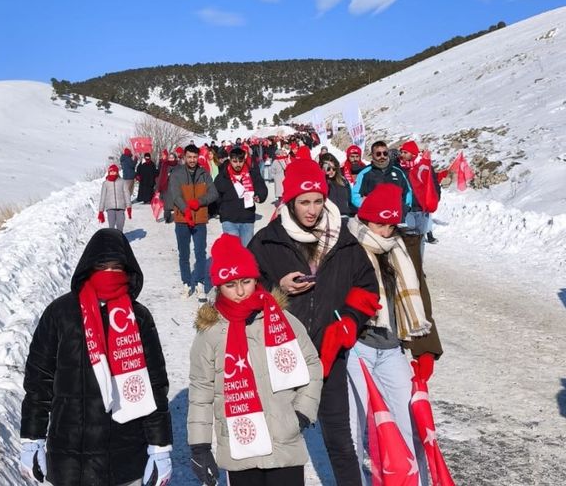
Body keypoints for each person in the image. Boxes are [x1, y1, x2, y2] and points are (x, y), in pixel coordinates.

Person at [248, 149, 379, 486]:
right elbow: (242, 291)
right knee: (283, 438)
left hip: (330, 353)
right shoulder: (267, 240)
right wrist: (278, 289)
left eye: (317, 201)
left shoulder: (343, 239)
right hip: (283, 355)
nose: (312, 210)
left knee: (339, 439)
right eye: (304, 202)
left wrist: (348, 321)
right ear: (291, 201)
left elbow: (366, 286)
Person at [19, 228, 173, 486]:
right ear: (89, 267)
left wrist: (160, 446)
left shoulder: (139, 317)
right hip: (69, 459)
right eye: (103, 266)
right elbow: (39, 382)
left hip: (124, 459)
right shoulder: (60, 314)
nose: (110, 274)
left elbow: (155, 384)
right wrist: (32, 439)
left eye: (117, 267)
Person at [188, 234, 323, 486]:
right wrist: (200, 446)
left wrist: (301, 413)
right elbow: (201, 390)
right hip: (241, 447)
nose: (240, 291)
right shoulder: (211, 332)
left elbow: (312, 366)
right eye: (230, 284)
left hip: (285, 446)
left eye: (246, 281)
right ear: (218, 286)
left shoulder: (282, 320)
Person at [344, 183, 443, 485]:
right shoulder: (345, 245)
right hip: (356, 347)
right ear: (364, 218)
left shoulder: (402, 247)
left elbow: (419, 298)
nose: (386, 231)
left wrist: (424, 348)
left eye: (390, 224)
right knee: (354, 427)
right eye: (379, 223)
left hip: (391, 348)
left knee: (406, 419)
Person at [167, 145, 218, 300]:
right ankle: (186, 283)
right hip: (182, 219)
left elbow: (213, 193)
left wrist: (199, 202)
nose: (192, 160)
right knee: (184, 253)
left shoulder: (204, 174)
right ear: (184, 157)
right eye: (189, 157)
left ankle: (200, 283)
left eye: (195, 157)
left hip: (200, 219)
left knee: (200, 252)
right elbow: (175, 195)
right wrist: (186, 209)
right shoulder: (176, 174)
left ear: (198, 157)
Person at [214, 146, 268, 247]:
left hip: (247, 218)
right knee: (233, 250)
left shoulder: (252, 173)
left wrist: (259, 196)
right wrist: (220, 211)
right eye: (235, 161)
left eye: (240, 161)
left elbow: (261, 187)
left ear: (244, 160)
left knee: (246, 250)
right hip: (229, 219)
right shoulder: (223, 176)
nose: (238, 164)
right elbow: (216, 194)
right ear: (230, 160)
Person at [397, 141, 441, 255]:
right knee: (408, 239)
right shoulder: (399, 168)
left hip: (422, 209)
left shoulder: (424, 167)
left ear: (413, 153)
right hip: (407, 210)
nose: (402, 154)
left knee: (420, 239)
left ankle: (418, 267)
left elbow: (434, 183)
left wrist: (435, 198)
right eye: (401, 152)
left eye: (405, 152)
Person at [350, 141, 412, 215]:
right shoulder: (365, 173)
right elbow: (355, 195)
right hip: (373, 219)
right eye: (378, 154)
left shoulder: (398, 172)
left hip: (395, 217)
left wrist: (404, 208)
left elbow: (407, 192)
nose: (382, 156)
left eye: (385, 153)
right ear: (372, 155)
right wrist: (367, 207)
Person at [97, 164, 132, 231]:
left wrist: (129, 207)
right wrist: (101, 211)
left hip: (120, 207)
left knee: (120, 224)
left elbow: (126, 194)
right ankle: (112, 239)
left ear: (117, 172)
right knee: (111, 225)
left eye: (114, 171)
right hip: (110, 208)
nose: (113, 173)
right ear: (109, 172)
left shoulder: (122, 182)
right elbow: (103, 197)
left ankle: (119, 238)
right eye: (111, 171)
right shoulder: (105, 183)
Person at [318, 153, 353, 217]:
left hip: (344, 216)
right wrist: (323, 174)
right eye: (328, 168)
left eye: (334, 169)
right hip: (328, 217)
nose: (331, 171)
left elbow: (350, 201)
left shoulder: (343, 181)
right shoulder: (319, 181)